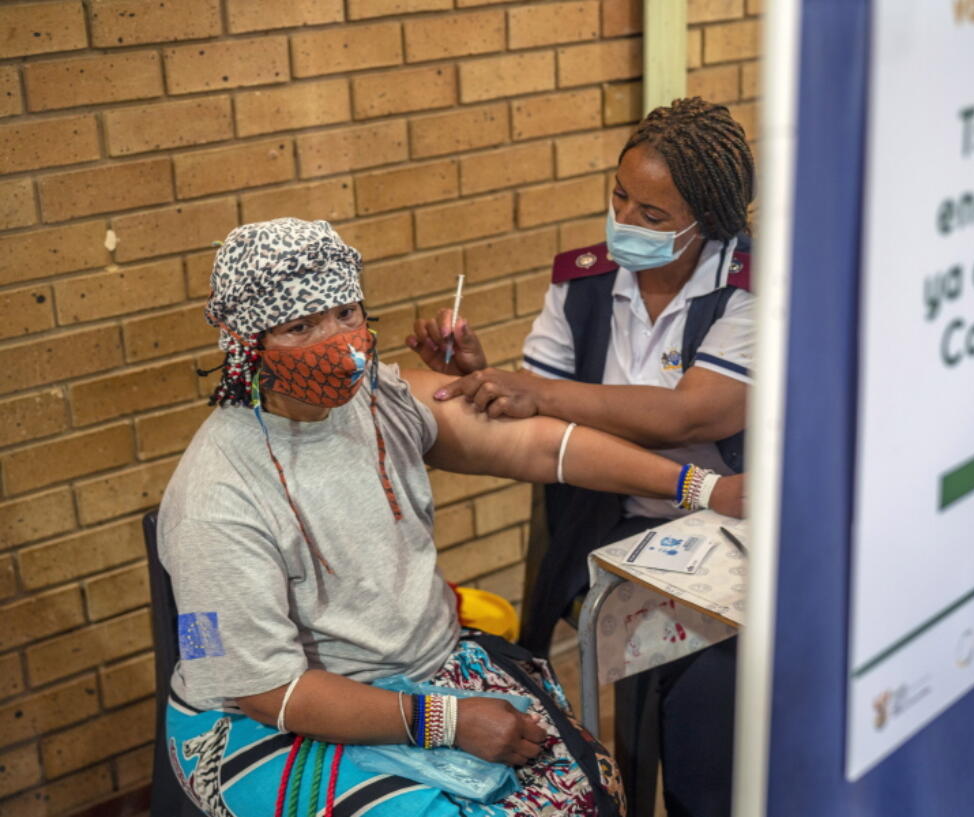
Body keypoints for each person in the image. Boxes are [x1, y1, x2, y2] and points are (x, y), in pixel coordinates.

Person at [160, 218, 743, 817]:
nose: (337, 341)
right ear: (244, 344)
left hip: (422, 668)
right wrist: (444, 719)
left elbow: (541, 446)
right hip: (275, 720)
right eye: (301, 326)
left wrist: (702, 487)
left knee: (592, 788)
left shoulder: (377, 400)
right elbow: (267, 691)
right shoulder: (218, 498)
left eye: (346, 312)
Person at [408, 98, 755, 817]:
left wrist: (537, 391)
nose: (627, 221)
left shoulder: (753, 289)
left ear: (709, 222)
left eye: (654, 216)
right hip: (616, 522)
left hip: (732, 523)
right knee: (636, 691)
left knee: (703, 702)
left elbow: (694, 412)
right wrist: (483, 377)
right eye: (619, 196)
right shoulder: (584, 280)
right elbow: (538, 415)